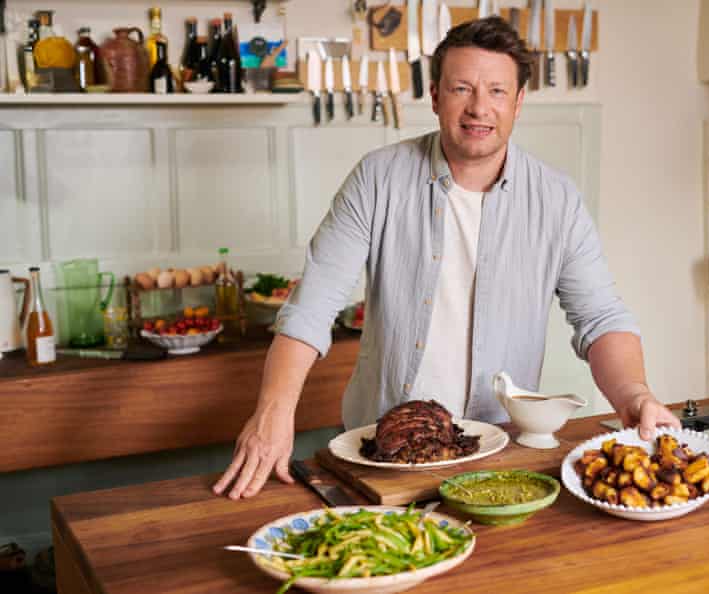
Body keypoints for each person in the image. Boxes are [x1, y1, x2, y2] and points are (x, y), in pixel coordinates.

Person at [213, 17, 680, 500]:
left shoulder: (557, 199)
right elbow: (312, 306)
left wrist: (635, 396)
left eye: (497, 91)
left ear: (518, 102)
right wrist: (273, 411)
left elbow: (600, 316)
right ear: (435, 96)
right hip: (382, 451)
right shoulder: (377, 179)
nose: (480, 107)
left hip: (500, 448)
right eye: (462, 88)